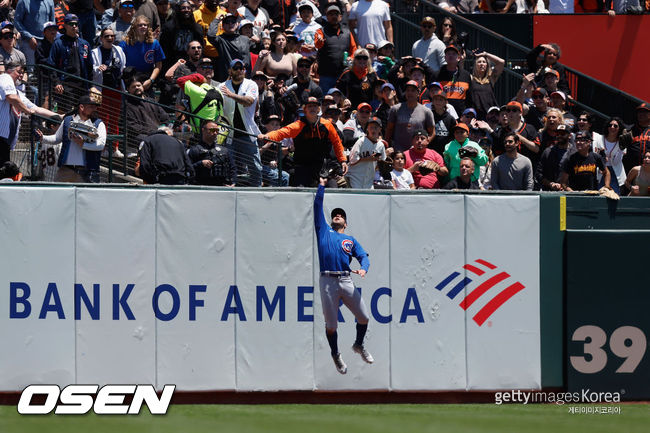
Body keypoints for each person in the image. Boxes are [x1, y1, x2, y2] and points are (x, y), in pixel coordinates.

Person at [314, 177, 373, 375]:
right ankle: (335, 354)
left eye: (341, 215)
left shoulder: (349, 239)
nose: (337, 216)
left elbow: (363, 256)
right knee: (331, 326)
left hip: (346, 279)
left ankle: (358, 344)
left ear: (346, 223)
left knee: (364, 317)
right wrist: (322, 186)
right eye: (335, 215)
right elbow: (317, 206)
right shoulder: (323, 231)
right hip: (328, 280)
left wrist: (364, 268)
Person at [259, 96, 347, 187]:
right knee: (301, 193)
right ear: (305, 110)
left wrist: (343, 160)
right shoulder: (298, 126)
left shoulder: (327, 125)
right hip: (302, 167)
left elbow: (337, 143)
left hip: (322, 167)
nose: (312, 108)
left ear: (319, 109)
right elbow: (281, 133)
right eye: (309, 106)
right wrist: (267, 136)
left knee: (332, 190)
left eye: (315, 106)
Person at [35, 94, 106, 183]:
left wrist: (83, 144)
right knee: (58, 195)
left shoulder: (99, 124)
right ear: (81, 107)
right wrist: (43, 138)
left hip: (87, 171)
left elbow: (101, 145)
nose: (94, 109)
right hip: (66, 169)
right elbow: (57, 138)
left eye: (95, 107)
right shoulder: (67, 121)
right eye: (91, 107)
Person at [220, 58, 261, 186]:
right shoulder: (222, 86)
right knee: (229, 166)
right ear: (230, 71)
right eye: (235, 68)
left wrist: (231, 95)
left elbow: (248, 101)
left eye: (241, 68)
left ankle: (257, 190)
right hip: (229, 134)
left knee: (255, 166)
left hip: (248, 133)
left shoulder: (251, 84)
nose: (239, 71)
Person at [47, 14, 93, 112]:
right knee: (65, 113)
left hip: (82, 85)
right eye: (71, 24)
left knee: (82, 113)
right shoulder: (58, 43)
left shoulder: (84, 44)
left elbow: (89, 67)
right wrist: (57, 82)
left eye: (76, 24)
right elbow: (51, 65)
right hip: (65, 85)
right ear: (65, 25)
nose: (74, 26)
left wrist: (91, 86)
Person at [314, 4, 356, 94]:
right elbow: (317, 45)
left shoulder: (347, 32)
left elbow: (353, 49)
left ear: (340, 17)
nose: (334, 16)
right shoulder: (320, 31)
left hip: (343, 74)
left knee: (344, 101)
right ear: (327, 17)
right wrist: (320, 41)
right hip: (326, 75)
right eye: (331, 14)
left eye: (336, 14)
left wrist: (351, 57)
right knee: (326, 100)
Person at [0, 62, 37, 165]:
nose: (21, 75)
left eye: (23, 73)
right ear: (9, 71)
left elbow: (36, 108)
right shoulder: (5, 78)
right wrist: (28, 111)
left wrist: (58, 116)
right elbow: (11, 98)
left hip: (4, 138)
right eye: (19, 72)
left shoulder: (15, 91)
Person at [385, 80, 434, 153]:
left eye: (413, 90)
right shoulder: (395, 109)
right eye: (407, 90)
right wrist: (386, 146)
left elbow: (432, 133)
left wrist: (423, 144)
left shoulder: (426, 111)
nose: (410, 93)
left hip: (417, 152)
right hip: (399, 153)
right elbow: (389, 130)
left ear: (418, 93)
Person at [119, 15, 165, 92]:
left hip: (147, 80)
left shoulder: (154, 43)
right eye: (140, 25)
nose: (143, 27)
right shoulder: (125, 43)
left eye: (145, 25)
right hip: (130, 80)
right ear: (134, 28)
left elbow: (158, 65)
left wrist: (151, 80)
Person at [187, 119, 235, 186]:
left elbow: (232, 168)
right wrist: (200, 163)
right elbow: (187, 169)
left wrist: (233, 182)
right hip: (201, 187)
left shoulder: (224, 150)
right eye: (212, 130)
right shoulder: (195, 150)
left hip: (221, 187)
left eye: (217, 130)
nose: (215, 133)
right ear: (203, 130)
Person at [159, 1, 204, 68]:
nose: (186, 10)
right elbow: (164, 48)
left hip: (191, 63)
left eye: (188, 8)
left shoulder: (197, 28)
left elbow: (201, 47)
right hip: (171, 63)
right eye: (183, 8)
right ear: (178, 10)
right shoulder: (169, 27)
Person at [207, 13, 251, 82]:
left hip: (245, 79)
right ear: (223, 26)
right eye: (227, 22)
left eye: (233, 22)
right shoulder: (220, 40)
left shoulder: (245, 39)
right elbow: (210, 35)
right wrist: (216, 20)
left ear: (237, 24)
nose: (230, 24)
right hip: (228, 79)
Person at [13, 0, 55, 69]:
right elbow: (17, 21)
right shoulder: (23, 1)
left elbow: (52, 21)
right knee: (31, 71)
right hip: (28, 42)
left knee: (48, 68)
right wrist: (29, 37)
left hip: (46, 41)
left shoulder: (50, 2)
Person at [346, 116, 386, 189]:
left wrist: (381, 163)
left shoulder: (381, 145)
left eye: (376, 127)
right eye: (371, 127)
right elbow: (352, 160)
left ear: (380, 129)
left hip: (369, 180)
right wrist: (369, 159)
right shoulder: (361, 141)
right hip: (355, 177)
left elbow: (382, 163)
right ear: (367, 128)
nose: (373, 130)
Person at [594, 116, 627, 194]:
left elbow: (616, 162)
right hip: (601, 172)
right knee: (599, 195)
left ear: (619, 128)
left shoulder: (622, 142)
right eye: (610, 125)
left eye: (615, 126)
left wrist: (621, 149)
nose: (612, 127)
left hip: (615, 173)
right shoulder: (599, 138)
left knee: (614, 196)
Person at [469, 51, 504, 120]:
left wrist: (486, 54)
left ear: (487, 65)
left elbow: (501, 62)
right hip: (476, 115)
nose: (482, 64)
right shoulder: (470, 78)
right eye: (479, 62)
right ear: (475, 65)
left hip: (490, 115)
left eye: (484, 62)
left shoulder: (491, 78)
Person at [437, 45, 472, 115]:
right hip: (442, 115)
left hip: (461, 117)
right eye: (448, 54)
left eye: (454, 54)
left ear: (459, 58)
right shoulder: (438, 75)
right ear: (445, 58)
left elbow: (470, 98)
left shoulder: (466, 75)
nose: (451, 56)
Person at [536, 123, 571, 191]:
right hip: (551, 192)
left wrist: (566, 187)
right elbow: (539, 174)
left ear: (569, 136)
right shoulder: (548, 152)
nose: (559, 136)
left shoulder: (574, 152)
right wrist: (550, 184)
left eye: (563, 134)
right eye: (557, 134)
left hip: (570, 192)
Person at [623, 102, 650, 176]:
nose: (641, 114)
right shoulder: (629, 130)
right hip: (630, 171)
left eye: (645, 112)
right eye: (639, 112)